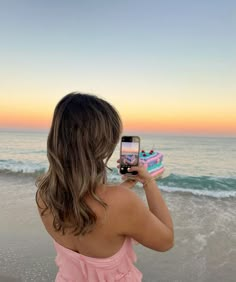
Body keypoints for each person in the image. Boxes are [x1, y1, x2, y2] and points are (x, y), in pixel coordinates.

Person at [35, 92, 174, 282]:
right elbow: (166, 241)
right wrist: (149, 182)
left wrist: (125, 186)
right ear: (103, 143)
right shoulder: (122, 202)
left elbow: (90, 201)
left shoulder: (45, 194)